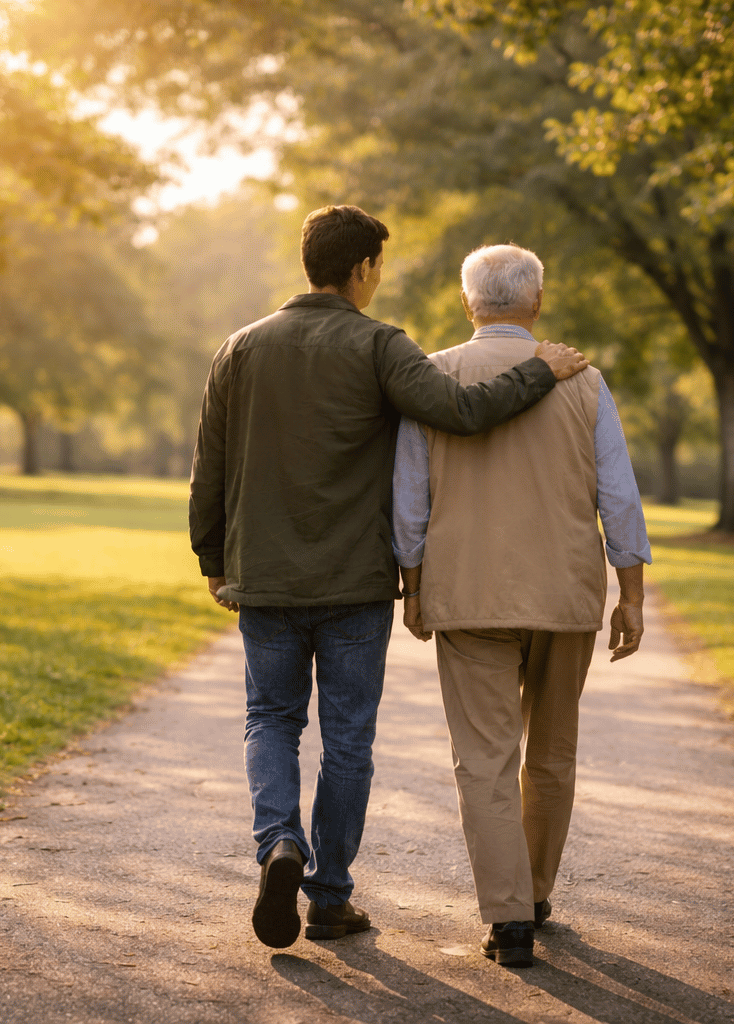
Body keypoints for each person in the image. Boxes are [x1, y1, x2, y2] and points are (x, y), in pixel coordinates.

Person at [189, 207, 591, 950]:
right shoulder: (381, 347)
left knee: (271, 720)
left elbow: (208, 464)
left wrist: (214, 561)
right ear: (364, 268)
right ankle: (330, 896)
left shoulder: (240, 347)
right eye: (380, 264)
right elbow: (464, 413)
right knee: (348, 739)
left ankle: (279, 841)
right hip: (355, 585)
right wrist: (543, 369)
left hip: (265, 578)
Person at [391, 242, 651, 968]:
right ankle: (535, 894)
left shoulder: (432, 377)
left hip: (467, 593)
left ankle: (508, 920)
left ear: (467, 303)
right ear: (536, 303)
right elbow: (619, 496)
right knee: (554, 751)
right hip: (565, 594)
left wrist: (414, 584)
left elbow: (410, 497)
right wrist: (630, 594)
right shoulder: (585, 381)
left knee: (483, 759)